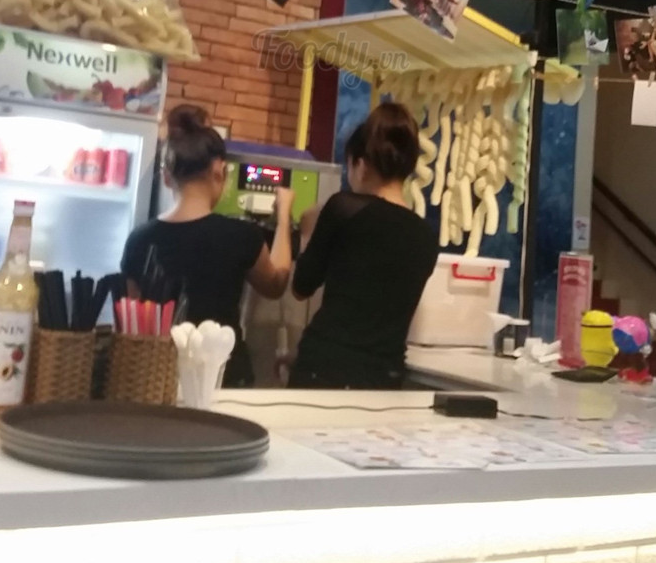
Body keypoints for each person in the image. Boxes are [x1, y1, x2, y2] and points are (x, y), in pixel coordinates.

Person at [121, 106, 294, 386]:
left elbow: (135, 315)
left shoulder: (138, 239)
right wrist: (284, 216)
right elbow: (276, 284)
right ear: (219, 171)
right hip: (225, 378)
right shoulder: (241, 235)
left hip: (157, 378)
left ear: (166, 177)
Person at [289, 103, 438, 389]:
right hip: (383, 379)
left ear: (361, 165)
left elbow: (301, 287)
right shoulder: (425, 237)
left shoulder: (344, 208)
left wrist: (307, 231)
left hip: (324, 370)